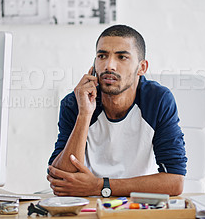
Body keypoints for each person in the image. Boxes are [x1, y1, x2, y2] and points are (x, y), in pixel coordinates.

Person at [47, 24, 187, 197]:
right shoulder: (75, 102)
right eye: (102, 56)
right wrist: (84, 114)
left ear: (142, 68)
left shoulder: (158, 100)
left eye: (122, 57)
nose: (109, 65)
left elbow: (175, 181)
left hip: (139, 204)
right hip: (88, 206)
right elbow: (61, 181)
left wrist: (99, 186)